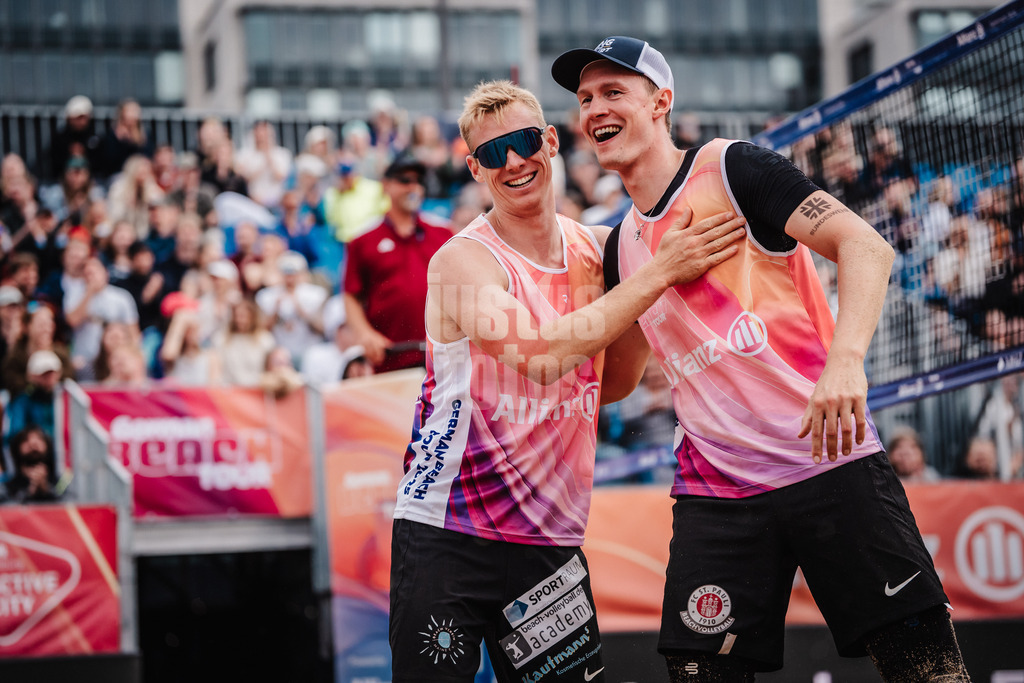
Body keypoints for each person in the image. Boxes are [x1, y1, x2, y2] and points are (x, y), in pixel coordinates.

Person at [552, 35, 968, 681]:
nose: (594, 108)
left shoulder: (732, 168)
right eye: (584, 98)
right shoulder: (620, 248)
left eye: (613, 92)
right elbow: (620, 382)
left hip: (827, 451)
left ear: (661, 102)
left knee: (925, 667)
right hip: (718, 487)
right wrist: (539, 351)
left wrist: (846, 362)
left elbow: (867, 247)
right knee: (699, 669)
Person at [388, 79, 744, 683]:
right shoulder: (462, 261)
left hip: (549, 537)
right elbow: (542, 356)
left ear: (550, 141)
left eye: (524, 141)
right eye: (493, 153)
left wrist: (641, 273)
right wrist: (653, 274)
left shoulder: (599, 252)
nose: (514, 162)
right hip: (449, 529)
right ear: (475, 168)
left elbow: (615, 384)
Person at [342, 154, 453, 373]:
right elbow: (350, 295)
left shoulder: (444, 233)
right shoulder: (363, 241)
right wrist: (365, 334)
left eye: (419, 182)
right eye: (405, 180)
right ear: (386, 186)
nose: (414, 187)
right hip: (391, 358)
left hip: (443, 358)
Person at [1, 426, 65, 504]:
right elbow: (5, 510)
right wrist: (29, 493)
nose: (33, 443)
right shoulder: (7, 487)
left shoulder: (62, 483)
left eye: (39, 439)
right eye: (25, 440)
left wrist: (47, 490)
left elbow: (72, 506)